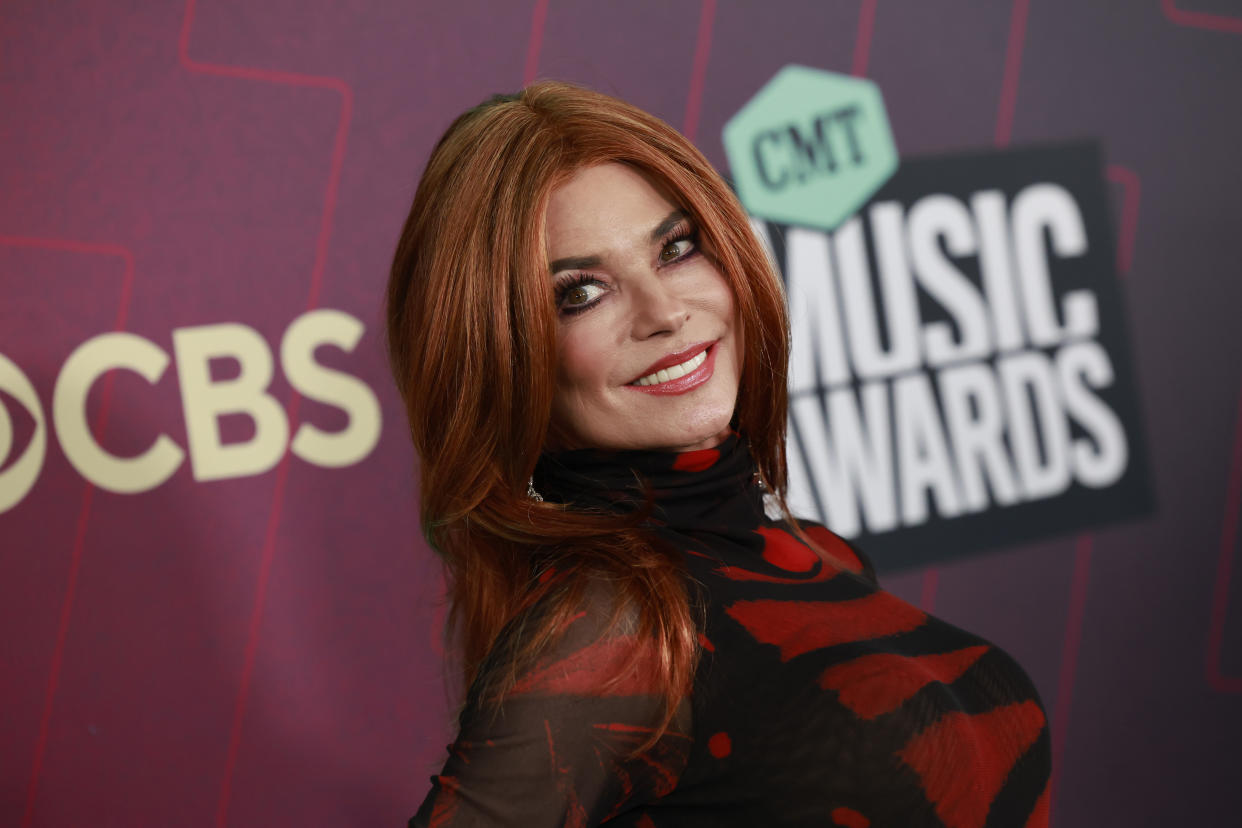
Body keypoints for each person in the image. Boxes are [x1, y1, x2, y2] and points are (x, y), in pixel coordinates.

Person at [386, 80, 1051, 827]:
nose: (666, 312)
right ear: (502, 361)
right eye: (580, 293)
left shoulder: (814, 553)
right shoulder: (612, 623)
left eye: (675, 249)